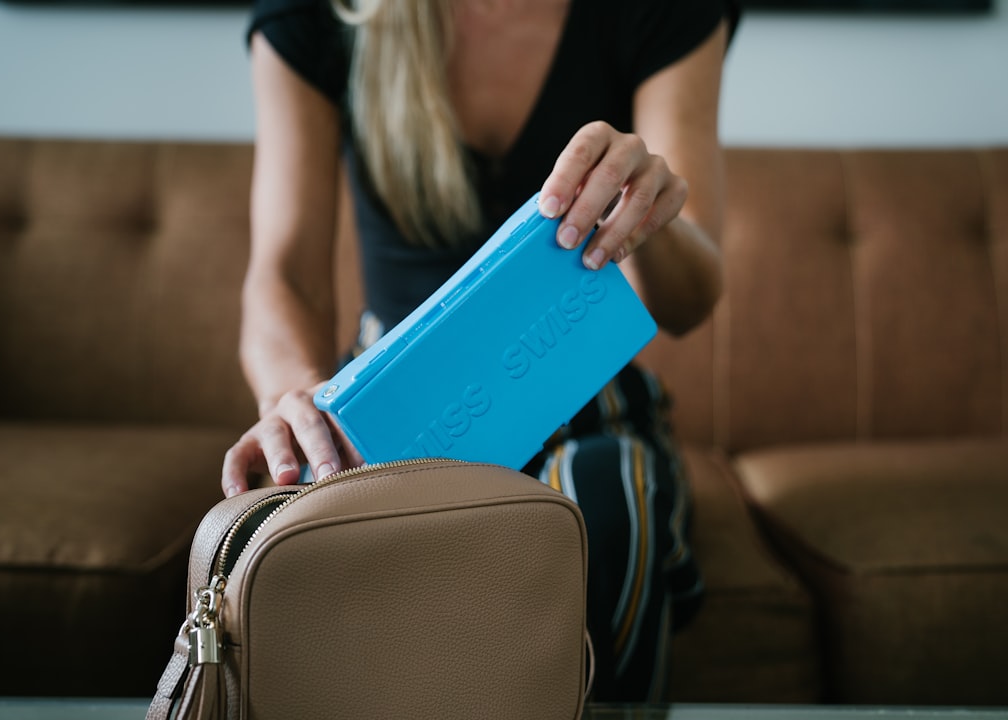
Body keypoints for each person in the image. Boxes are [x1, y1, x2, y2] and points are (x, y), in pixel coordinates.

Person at [225, 0, 739, 702]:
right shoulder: (314, 15)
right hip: (393, 408)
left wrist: (653, 212)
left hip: (585, 395)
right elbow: (283, 273)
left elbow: (692, 300)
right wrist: (295, 396)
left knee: (612, 503)